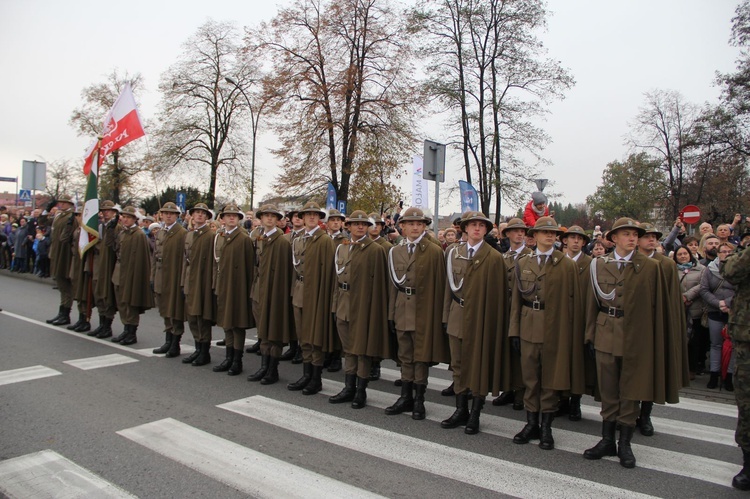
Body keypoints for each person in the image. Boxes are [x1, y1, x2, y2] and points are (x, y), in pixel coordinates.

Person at [583, 218, 680, 469]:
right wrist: (590, 335)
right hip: (606, 332)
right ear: (613, 238)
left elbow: (656, 306)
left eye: (635, 234)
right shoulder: (599, 265)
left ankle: (625, 443)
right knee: (608, 389)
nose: (632, 238)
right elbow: (592, 304)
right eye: (626, 234)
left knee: (630, 390)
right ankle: (606, 440)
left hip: (635, 336)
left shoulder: (649, 267)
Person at [509, 217, 580, 450]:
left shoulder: (566, 264)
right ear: (535, 235)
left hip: (555, 327)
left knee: (550, 379)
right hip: (529, 325)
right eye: (544, 232)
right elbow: (517, 301)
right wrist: (515, 331)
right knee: (530, 378)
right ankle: (531, 424)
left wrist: (570, 333)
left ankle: (547, 427)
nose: (550, 236)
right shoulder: (523, 261)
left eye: (553, 233)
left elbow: (573, 303)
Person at [441, 211, 509, 435]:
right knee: (458, 366)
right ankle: (461, 409)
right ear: (465, 228)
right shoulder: (454, 253)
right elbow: (448, 290)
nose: (477, 229)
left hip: (481, 318)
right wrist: (445, 317)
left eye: (482, 225)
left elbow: (499, 296)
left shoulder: (494, 257)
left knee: (478, 366)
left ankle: (475, 414)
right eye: (473, 225)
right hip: (457, 315)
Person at [383, 207, 448, 419]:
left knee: (421, 356)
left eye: (419, 224)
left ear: (424, 226)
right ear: (402, 226)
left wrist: (437, 316)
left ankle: (419, 399)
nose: (415, 227)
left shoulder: (434, 251)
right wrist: (391, 313)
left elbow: (439, 287)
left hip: (424, 310)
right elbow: (393, 285)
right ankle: (405, 396)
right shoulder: (396, 251)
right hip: (402, 308)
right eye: (410, 223)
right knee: (405, 355)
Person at [327, 210, 390, 409]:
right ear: (348, 227)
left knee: (361, 349)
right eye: (355, 224)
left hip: (363, 305)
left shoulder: (374, 249)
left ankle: (361, 390)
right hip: (344, 303)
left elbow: (379, 284)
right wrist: (335, 304)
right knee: (348, 349)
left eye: (364, 224)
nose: (360, 227)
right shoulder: (343, 247)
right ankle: (349, 387)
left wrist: (374, 310)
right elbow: (336, 279)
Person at [637, 222, 690, 436]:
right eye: (647, 236)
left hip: (656, 325)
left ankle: (646, 414)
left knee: (652, 371)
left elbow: (672, 301)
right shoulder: (630, 261)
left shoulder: (666, 264)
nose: (652, 240)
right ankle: (629, 413)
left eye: (655, 237)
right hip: (634, 326)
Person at [287, 202, 336, 395]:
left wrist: (324, 298)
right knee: (303, 336)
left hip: (315, 292)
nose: (311, 217)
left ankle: (316, 378)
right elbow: (295, 268)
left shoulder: (324, 240)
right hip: (299, 291)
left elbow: (329, 273)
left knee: (314, 336)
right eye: (308, 215)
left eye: (315, 215)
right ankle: (306, 374)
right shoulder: (298, 239)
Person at [247, 204, 295, 385]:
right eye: (265, 216)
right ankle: (264, 366)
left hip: (274, 291)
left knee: (273, 329)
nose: (269, 219)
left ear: (278, 220)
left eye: (273, 216)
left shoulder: (282, 242)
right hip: (260, 289)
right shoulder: (260, 239)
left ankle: (272, 369)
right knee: (263, 330)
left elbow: (284, 273)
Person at [492, 217, 531, 410]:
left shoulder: (530, 256)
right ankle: (508, 387)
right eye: (516, 231)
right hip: (505, 308)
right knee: (507, 349)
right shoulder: (504, 257)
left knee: (521, 352)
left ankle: (521, 391)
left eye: (523, 231)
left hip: (523, 310)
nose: (520, 234)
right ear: (507, 234)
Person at [720, 243, 750, 490]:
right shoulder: (745, 254)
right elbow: (730, 272)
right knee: (747, 402)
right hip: (747, 341)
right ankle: (749, 464)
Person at [213, 204, 255, 376]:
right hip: (224, 284)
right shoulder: (221, 236)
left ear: (239, 219)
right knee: (226, 323)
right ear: (222, 219)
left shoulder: (244, 238)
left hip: (238, 287)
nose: (231, 218)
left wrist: (246, 290)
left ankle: (237, 360)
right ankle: (228, 356)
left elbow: (249, 267)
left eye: (234, 216)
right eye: (228, 215)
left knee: (237, 324)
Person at [559, 225, 594, 421]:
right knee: (561, 360)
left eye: (579, 239)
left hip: (580, 319)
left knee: (578, 363)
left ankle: (575, 402)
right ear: (565, 240)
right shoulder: (558, 261)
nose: (575, 241)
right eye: (571, 238)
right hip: (561, 318)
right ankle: (562, 398)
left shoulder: (590, 263)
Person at [110, 206, 154, 345]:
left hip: (131, 273)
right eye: (124, 217)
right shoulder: (123, 233)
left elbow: (141, 259)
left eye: (129, 217)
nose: (126, 219)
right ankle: (126, 328)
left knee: (130, 304)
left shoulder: (138, 235)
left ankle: (131, 332)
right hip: (119, 272)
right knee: (121, 303)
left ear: (135, 219)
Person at [181, 203, 217, 366]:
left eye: (203, 213)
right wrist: (183, 281)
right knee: (192, 317)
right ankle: (197, 347)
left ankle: (204, 351)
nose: (199, 215)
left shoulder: (210, 236)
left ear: (207, 217)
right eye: (197, 213)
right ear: (192, 216)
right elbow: (185, 261)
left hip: (203, 281)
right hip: (191, 280)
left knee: (202, 316)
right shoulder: (189, 235)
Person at [151, 202, 188, 357]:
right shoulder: (160, 232)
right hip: (161, 274)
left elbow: (184, 259)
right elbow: (155, 257)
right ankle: (168, 339)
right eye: (165, 213)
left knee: (175, 310)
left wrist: (181, 281)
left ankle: (175, 342)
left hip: (174, 275)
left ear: (177, 216)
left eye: (171, 214)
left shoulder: (181, 233)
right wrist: (152, 276)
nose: (168, 215)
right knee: (164, 308)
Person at [700, 241, 737, 391]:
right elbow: (704, 289)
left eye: (729, 252)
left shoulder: (739, 269)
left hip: (733, 312)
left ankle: (728, 376)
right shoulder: (709, 270)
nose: (726, 254)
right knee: (715, 344)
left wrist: (727, 303)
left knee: (733, 346)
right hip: (715, 311)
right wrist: (718, 303)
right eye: (723, 252)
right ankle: (714, 375)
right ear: (718, 253)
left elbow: (742, 290)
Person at [673, 246, 707, 379]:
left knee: (694, 342)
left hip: (695, 309)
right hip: (677, 308)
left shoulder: (701, 269)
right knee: (678, 341)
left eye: (685, 254)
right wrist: (679, 298)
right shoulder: (671, 269)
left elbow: (703, 285)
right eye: (679, 254)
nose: (682, 256)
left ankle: (691, 369)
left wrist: (687, 296)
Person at [46, 195, 79, 326]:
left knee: (65, 285)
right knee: (60, 283)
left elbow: (69, 238)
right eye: (61, 202)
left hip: (65, 254)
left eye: (65, 203)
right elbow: (45, 222)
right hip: (56, 252)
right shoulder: (59, 216)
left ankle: (65, 313)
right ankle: (62, 312)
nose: (62, 205)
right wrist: (46, 210)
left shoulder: (71, 217)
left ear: (70, 204)